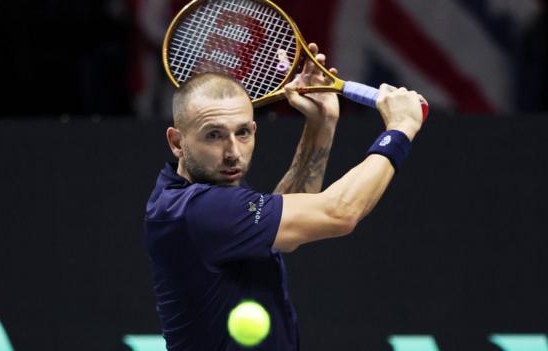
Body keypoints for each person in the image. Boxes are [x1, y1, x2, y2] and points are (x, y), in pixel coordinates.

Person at [143, 43, 424, 350]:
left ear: (254, 129)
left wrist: (321, 123)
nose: (233, 152)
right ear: (177, 142)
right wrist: (399, 129)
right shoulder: (196, 210)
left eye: (242, 133)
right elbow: (339, 213)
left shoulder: (206, 194)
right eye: (214, 135)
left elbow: (288, 232)